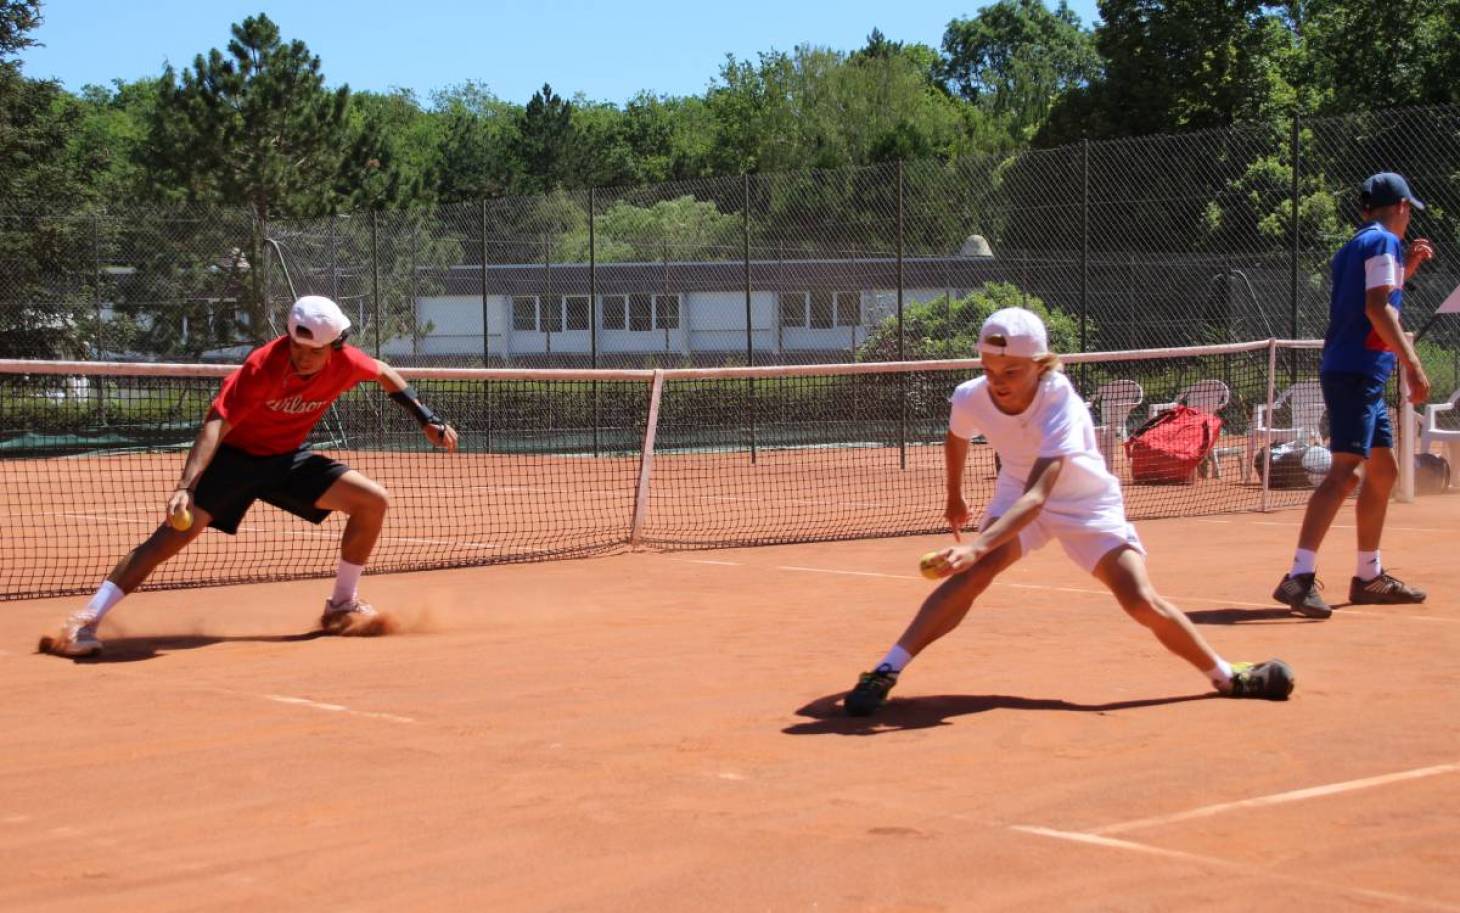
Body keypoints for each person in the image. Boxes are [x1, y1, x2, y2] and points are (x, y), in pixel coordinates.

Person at [844, 307, 1293, 716]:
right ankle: (886, 670)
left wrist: (979, 545)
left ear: (1040, 365)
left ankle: (1227, 676)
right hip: (1017, 490)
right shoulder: (970, 396)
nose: (998, 380)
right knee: (971, 578)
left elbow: (1040, 497)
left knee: (1138, 597)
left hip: (1083, 501)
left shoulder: (1060, 400)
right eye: (989, 368)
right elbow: (957, 437)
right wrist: (955, 496)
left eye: (1012, 370)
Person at [42, 296, 459, 658]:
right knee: (171, 536)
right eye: (297, 346)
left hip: (285, 460)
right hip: (235, 461)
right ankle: (82, 622)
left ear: (336, 346)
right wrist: (185, 487)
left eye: (313, 351)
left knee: (373, 501)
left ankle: (342, 606)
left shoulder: (348, 363)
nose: (302, 356)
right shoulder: (263, 366)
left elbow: (385, 372)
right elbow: (216, 423)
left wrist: (426, 418)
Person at [1271, 172, 1432, 619]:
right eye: (1407, 211)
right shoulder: (1384, 243)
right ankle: (1298, 577)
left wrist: (1408, 271)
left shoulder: (1357, 245)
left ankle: (1368, 576)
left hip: (1362, 374)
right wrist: (1412, 364)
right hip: (1356, 374)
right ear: (1400, 208)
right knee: (1344, 474)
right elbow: (1375, 307)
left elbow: (1375, 297)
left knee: (1383, 471)